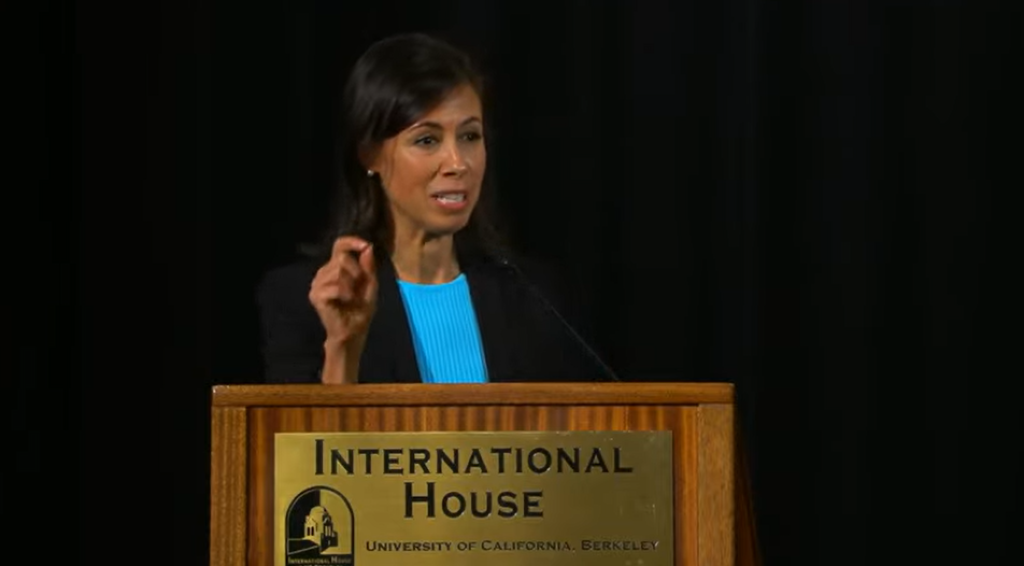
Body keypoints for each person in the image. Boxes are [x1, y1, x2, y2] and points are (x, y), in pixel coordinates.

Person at [256, 33, 615, 385]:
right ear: (369, 155)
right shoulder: (304, 301)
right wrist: (343, 348)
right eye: (427, 140)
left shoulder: (537, 297)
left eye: (470, 136)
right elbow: (305, 427)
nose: (458, 163)